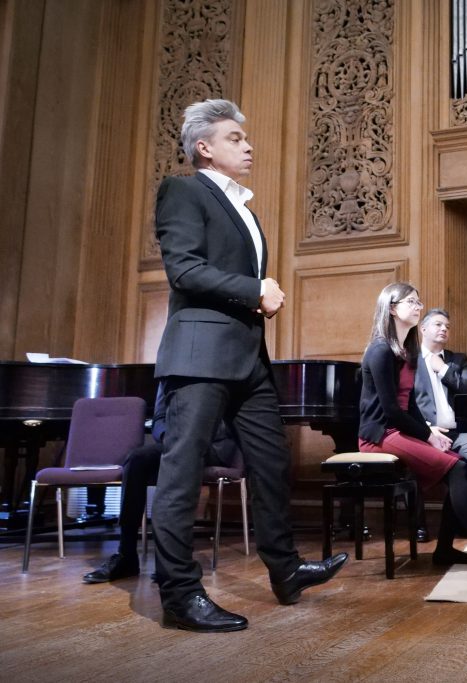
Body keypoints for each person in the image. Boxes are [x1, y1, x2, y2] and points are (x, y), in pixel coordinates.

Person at [152, 99, 347, 633]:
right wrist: (255, 290)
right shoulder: (183, 190)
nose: (248, 145)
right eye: (235, 138)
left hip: (249, 360)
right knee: (182, 475)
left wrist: (254, 294)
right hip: (200, 355)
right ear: (204, 147)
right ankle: (179, 594)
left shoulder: (247, 209)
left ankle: (286, 572)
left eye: (246, 138)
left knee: (270, 465)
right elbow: (184, 269)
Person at [357, 282, 467, 569]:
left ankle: (445, 550)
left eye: (418, 301)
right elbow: (389, 411)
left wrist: (429, 434)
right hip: (379, 433)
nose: (418, 306)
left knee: (466, 466)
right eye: (411, 302)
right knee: (460, 467)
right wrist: (427, 434)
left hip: (398, 430)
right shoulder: (380, 350)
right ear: (391, 308)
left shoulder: (406, 351)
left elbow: (410, 404)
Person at [82, 384, 239, 584]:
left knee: (183, 458)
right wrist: (170, 438)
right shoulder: (168, 374)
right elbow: (158, 420)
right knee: (137, 459)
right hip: (174, 442)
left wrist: (188, 440)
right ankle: (126, 555)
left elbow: (229, 419)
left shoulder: (218, 371)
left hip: (212, 445)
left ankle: (175, 562)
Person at [414, 308, 467, 507]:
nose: (444, 329)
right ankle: (426, 521)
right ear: (423, 329)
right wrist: (426, 429)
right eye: (438, 324)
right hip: (426, 434)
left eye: (447, 327)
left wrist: (442, 369)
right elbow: (404, 400)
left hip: (458, 433)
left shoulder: (457, 360)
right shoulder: (410, 361)